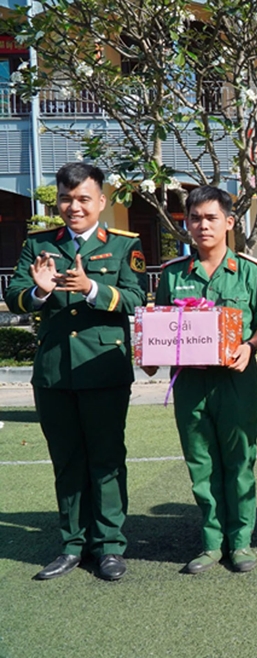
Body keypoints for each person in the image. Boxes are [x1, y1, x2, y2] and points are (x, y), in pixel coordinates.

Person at [4, 162, 148, 580]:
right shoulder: (39, 244)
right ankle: (72, 545)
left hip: (103, 369)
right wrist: (38, 291)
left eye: (84, 198)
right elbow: (15, 296)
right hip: (54, 372)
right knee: (66, 460)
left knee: (106, 459)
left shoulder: (123, 245)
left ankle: (109, 546)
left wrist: (91, 289)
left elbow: (136, 298)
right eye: (66, 199)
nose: (74, 207)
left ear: (101, 201)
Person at [148, 186, 257, 573]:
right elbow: (159, 325)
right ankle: (210, 543)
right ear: (186, 223)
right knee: (200, 463)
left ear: (229, 222)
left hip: (235, 381)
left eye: (211, 218)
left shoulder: (251, 271)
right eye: (195, 218)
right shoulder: (173, 274)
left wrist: (250, 346)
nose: (202, 226)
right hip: (190, 384)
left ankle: (240, 542)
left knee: (239, 461)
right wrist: (151, 355)